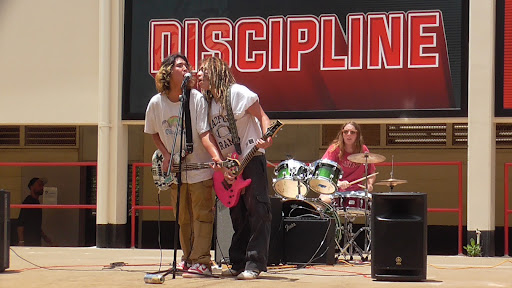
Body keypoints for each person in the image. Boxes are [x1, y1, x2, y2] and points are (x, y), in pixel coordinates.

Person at [144, 53, 223, 277]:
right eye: (179, 65)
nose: (185, 68)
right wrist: (166, 154)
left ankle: (202, 261)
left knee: (202, 214)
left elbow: (204, 132)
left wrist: (216, 157)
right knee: (183, 217)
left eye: (186, 65)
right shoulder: (156, 103)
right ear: (168, 72)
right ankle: (188, 258)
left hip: (199, 167)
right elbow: (153, 134)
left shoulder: (196, 98)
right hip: (176, 171)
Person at [197, 56, 273, 280]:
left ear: (216, 71)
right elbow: (206, 135)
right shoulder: (206, 102)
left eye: (203, 70)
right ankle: (238, 261)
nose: (199, 74)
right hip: (229, 165)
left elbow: (262, 116)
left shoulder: (238, 93)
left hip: (251, 157)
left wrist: (267, 137)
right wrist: (221, 163)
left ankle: (255, 263)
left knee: (258, 210)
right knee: (237, 214)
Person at [319, 122, 376, 204]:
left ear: (357, 135)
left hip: (357, 191)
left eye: (352, 132)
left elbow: (371, 173)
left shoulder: (363, 150)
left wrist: (369, 184)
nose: (349, 134)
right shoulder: (334, 149)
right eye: (346, 132)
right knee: (323, 201)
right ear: (342, 134)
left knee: (374, 203)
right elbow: (325, 173)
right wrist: (338, 183)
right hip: (335, 190)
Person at [17, 177, 53, 246]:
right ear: (31, 187)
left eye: (42, 185)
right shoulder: (28, 202)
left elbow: (36, 225)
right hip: (28, 242)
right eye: (39, 185)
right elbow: (20, 223)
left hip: (36, 241)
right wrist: (21, 241)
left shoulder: (37, 203)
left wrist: (46, 238)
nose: (42, 187)